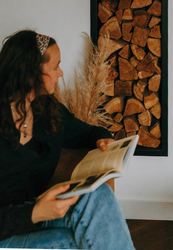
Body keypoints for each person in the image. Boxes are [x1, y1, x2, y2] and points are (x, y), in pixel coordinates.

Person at [0, 30, 135, 249]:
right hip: (7, 230)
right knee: (79, 242)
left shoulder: (48, 111)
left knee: (99, 196)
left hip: (37, 211)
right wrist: (34, 212)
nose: (60, 73)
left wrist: (104, 139)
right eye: (55, 67)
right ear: (30, 73)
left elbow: (90, 133)